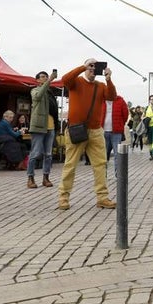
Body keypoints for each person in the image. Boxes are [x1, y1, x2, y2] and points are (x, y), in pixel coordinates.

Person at [58, 59, 118, 210]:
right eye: (90, 66)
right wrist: (82, 67)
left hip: (96, 130)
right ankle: (63, 197)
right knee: (70, 164)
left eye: (95, 66)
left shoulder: (101, 85)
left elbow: (111, 96)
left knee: (100, 164)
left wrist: (109, 79)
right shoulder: (76, 81)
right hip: (76, 129)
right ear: (85, 68)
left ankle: (102, 197)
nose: (92, 69)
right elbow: (65, 80)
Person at [27, 69, 59, 189]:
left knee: (48, 154)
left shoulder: (50, 93)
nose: (45, 78)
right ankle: (30, 178)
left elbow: (55, 110)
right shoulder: (34, 90)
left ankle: (46, 178)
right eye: (42, 76)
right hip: (39, 127)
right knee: (35, 153)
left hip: (50, 127)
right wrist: (50, 80)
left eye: (46, 76)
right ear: (37, 80)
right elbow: (38, 96)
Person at [103, 93, 129, 162]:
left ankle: (118, 173)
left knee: (117, 155)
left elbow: (125, 114)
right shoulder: (100, 100)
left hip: (116, 132)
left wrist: (120, 124)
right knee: (102, 156)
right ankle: (102, 172)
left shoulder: (120, 100)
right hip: (102, 131)